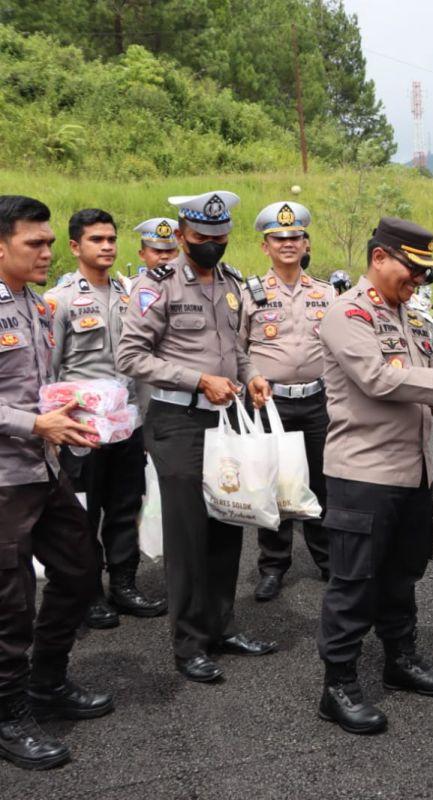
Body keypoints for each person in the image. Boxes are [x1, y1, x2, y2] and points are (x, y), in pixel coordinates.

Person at [315, 217, 433, 735]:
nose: (417, 281)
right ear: (378, 258)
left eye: (423, 273)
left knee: (402, 575)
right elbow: (377, 379)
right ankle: (339, 684)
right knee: (353, 582)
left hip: (412, 475)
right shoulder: (346, 313)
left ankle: (400, 659)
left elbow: (431, 395)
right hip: (363, 474)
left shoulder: (412, 319)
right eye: (411, 269)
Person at [116, 190, 276, 684]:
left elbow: (237, 348)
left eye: (221, 237)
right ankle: (188, 645)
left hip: (225, 420)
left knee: (229, 521)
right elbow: (131, 357)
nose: (213, 245)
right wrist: (196, 379)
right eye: (203, 238)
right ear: (183, 236)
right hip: (178, 421)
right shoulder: (155, 286)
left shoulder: (231, 283)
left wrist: (250, 374)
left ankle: (221, 627)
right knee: (189, 536)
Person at [0, 195, 113, 771]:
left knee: (78, 568)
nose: (47, 251)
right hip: (4, 483)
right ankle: (9, 713)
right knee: (10, 604)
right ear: (1, 246)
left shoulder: (39, 306)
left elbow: (43, 384)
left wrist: (71, 413)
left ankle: (46, 680)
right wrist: (32, 423)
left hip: (44, 468)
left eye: (49, 242)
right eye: (35, 243)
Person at [45, 209, 165, 630]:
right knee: (82, 515)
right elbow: (49, 371)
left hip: (127, 425)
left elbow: (142, 362)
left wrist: (145, 422)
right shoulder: (58, 301)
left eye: (111, 239)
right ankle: (89, 593)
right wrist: (52, 431)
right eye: (97, 240)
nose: (107, 247)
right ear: (76, 247)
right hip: (82, 431)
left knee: (124, 507)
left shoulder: (132, 294)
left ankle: (125, 585)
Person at [238, 202, 334, 602]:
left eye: (295, 237)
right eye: (279, 239)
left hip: (317, 401)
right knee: (274, 484)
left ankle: (328, 559)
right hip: (269, 403)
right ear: (266, 246)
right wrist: (250, 378)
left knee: (321, 483)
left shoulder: (326, 293)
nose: (288, 244)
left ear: (306, 242)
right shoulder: (249, 293)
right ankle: (273, 566)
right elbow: (236, 349)